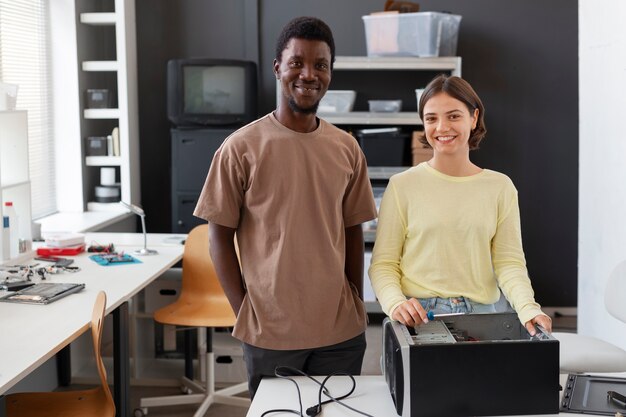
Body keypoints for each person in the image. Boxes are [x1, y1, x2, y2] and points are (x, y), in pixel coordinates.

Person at [193, 16, 377, 398]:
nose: (308, 74)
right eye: (297, 62)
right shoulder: (240, 148)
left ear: (330, 73)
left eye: (320, 65)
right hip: (271, 332)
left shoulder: (346, 148)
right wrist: (245, 309)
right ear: (278, 67)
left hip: (340, 332)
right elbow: (218, 238)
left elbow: (352, 230)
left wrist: (356, 302)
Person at [368, 74, 552, 336]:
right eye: (431, 118)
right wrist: (395, 303)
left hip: (486, 318)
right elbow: (383, 264)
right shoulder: (402, 186)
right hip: (420, 319)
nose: (442, 127)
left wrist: (528, 308)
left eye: (454, 116)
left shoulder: (500, 187)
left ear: (474, 118)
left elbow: (509, 263)